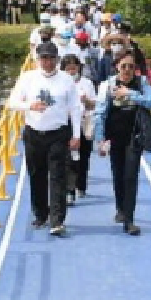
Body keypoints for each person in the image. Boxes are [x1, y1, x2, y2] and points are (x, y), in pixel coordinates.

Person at [8, 39, 84, 235]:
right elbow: (12, 102)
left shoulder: (66, 79)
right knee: (36, 175)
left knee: (58, 176)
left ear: (57, 59)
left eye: (51, 59)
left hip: (58, 134)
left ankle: (57, 220)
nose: (48, 63)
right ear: (38, 59)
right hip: (34, 133)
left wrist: (76, 135)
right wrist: (29, 106)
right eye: (44, 59)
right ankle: (41, 213)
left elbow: (75, 108)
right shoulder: (28, 78)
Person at [94, 53, 151, 236]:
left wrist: (130, 94)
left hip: (134, 137)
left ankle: (129, 220)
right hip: (114, 137)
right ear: (117, 67)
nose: (128, 70)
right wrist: (100, 139)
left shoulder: (141, 83)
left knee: (131, 177)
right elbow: (100, 113)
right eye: (124, 66)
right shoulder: (107, 86)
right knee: (118, 175)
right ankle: (120, 209)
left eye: (131, 66)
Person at [61, 52, 98, 199]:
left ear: (79, 68)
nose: (71, 72)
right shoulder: (60, 84)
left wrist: (85, 100)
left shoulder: (86, 83)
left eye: (74, 68)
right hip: (67, 124)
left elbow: (94, 105)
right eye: (68, 69)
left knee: (84, 156)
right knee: (69, 157)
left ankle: (81, 185)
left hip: (84, 122)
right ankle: (70, 189)